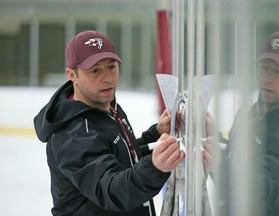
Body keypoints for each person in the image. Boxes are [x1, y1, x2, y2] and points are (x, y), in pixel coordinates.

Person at [33, 30, 185, 216]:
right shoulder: (74, 134)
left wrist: (156, 134)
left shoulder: (106, 106)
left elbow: (121, 157)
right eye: (95, 70)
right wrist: (154, 168)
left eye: (111, 67)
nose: (107, 77)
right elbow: (111, 191)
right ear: (72, 75)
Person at [203, 31, 279, 216]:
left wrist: (220, 165)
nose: (268, 78)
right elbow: (236, 153)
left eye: (278, 71)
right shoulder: (254, 110)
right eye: (264, 67)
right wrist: (213, 135)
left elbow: (257, 193)